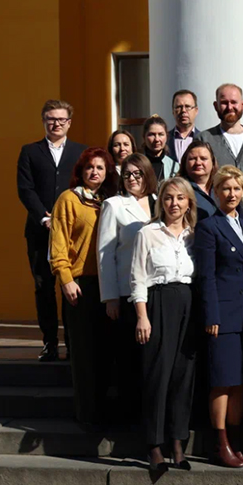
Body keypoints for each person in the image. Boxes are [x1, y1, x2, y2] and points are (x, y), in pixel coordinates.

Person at [131, 176, 198, 472]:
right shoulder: (148, 233)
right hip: (158, 304)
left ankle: (177, 443)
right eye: (169, 198)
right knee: (157, 373)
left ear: (189, 203)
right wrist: (142, 316)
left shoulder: (195, 235)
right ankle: (154, 446)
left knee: (183, 375)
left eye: (180, 198)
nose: (174, 203)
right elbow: (137, 277)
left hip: (187, 302)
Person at [50, 146, 118, 425]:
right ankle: (87, 416)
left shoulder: (109, 201)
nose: (94, 172)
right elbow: (58, 244)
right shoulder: (69, 200)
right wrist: (65, 279)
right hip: (79, 285)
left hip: (107, 286)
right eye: (90, 167)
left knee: (104, 353)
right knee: (83, 355)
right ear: (80, 171)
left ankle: (104, 412)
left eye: (100, 168)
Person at [195, 166, 243, 469]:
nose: (231, 194)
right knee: (222, 382)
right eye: (225, 189)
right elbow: (206, 276)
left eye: (236, 189)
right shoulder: (208, 227)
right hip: (223, 316)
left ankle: (235, 440)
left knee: (240, 382)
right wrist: (211, 314)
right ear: (215, 192)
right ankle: (220, 444)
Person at [17, 100, 86, 361]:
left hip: (71, 234)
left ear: (69, 122)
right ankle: (49, 343)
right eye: (50, 118)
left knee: (71, 287)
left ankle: (73, 343)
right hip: (39, 231)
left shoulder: (81, 152)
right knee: (43, 287)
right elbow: (25, 189)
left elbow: (86, 185)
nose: (56, 123)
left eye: (61, 119)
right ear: (43, 121)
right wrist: (43, 217)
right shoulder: (30, 151)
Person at [96, 153, 157, 423]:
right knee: (130, 359)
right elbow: (105, 253)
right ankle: (130, 418)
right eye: (128, 174)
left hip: (158, 291)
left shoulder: (160, 202)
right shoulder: (114, 205)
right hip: (126, 292)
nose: (132, 178)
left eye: (138, 173)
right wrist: (110, 296)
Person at [196, 83, 243, 176]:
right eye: (224, 103)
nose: (229, 107)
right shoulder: (204, 139)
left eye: (234, 102)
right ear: (216, 106)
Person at [178, 140, 218, 221]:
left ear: (213, 162)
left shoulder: (222, 186)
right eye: (192, 159)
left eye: (203, 158)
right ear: (184, 162)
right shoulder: (178, 189)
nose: (198, 162)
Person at [141, 115, 179, 181]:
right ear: (144, 137)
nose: (157, 139)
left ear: (166, 137)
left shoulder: (175, 167)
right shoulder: (137, 164)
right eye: (152, 134)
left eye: (161, 134)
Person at [170, 90, 200, 162]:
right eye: (179, 107)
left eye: (187, 106)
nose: (183, 110)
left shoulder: (204, 139)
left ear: (196, 110)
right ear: (173, 111)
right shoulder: (164, 140)